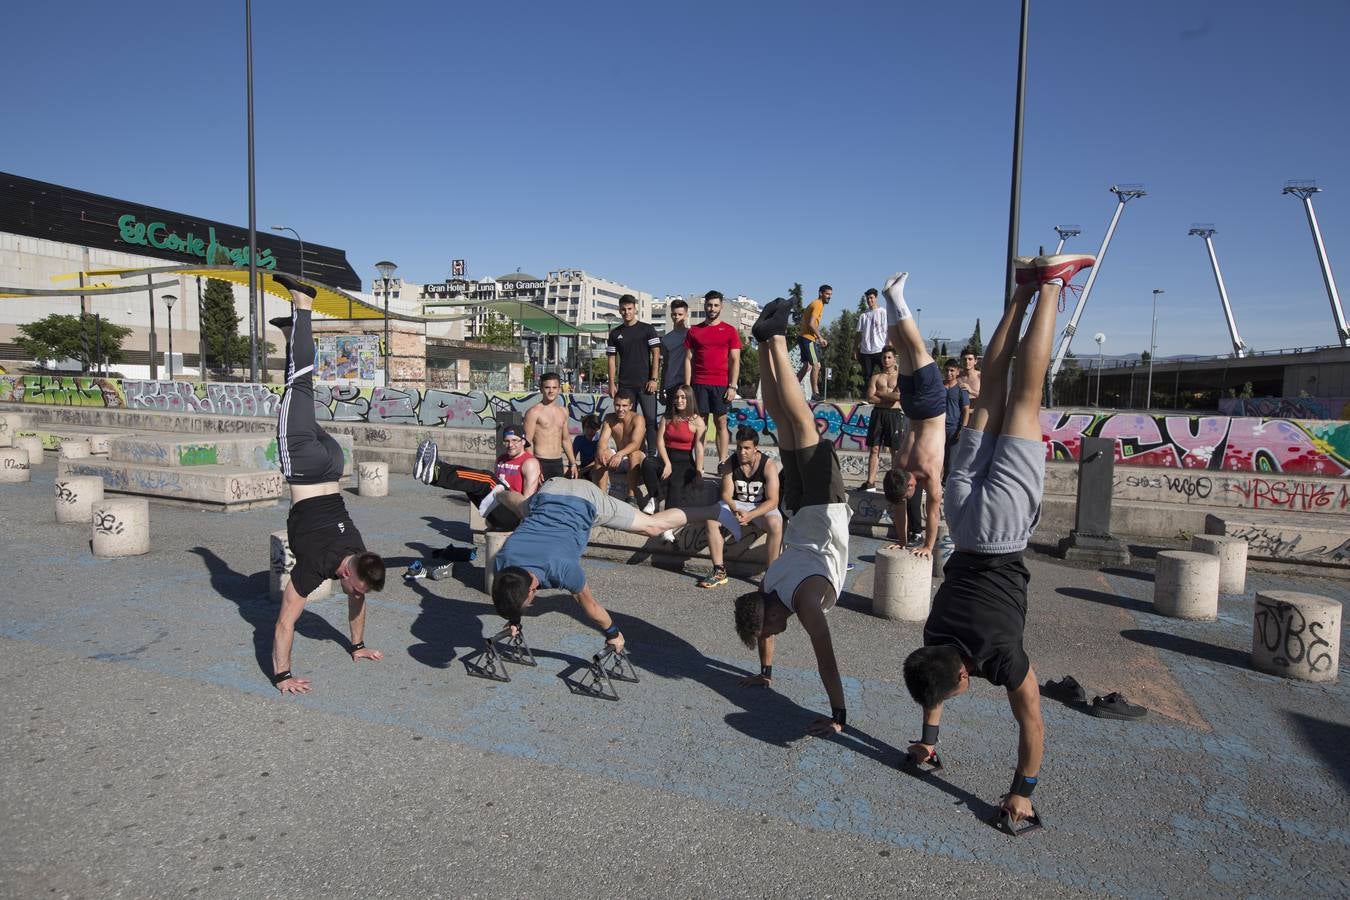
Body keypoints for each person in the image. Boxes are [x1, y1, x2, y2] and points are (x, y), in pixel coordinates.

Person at [901, 253, 1095, 828]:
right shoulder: (933, 634)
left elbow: (1032, 718)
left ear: (964, 677)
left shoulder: (998, 657)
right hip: (961, 522)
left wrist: (1022, 790)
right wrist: (927, 741)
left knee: (1025, 397)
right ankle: (1020, 293)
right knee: (985, 398)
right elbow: (931, 680)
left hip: (1005, 530)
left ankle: (1053, 287)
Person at [732, 297, 852, 737]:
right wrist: (766, 673)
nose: (776, 633)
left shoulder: (800, 602)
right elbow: (764, 628)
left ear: (770, 615)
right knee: (783, 421)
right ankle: (765, 344)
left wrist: (839, 714)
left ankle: (778, 338)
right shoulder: (767, 588)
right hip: (800, 512)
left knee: (800, 422)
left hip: (821, 509)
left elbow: (825, 655)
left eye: (771, 630)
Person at [268, 274, 386, 695]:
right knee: (298, 384)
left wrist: (358, 646)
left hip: (333, 463)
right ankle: (303, 303)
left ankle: (290, 335)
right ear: (352, 577)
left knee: (299, 393)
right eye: (360, 589)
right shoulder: (317, 566)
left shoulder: (359, 553)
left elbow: (358, 603)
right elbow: (286, 619)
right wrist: (282, 675)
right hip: (305, 464)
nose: (359, 595)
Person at [490, 479, 733, 651]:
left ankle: (715, 511)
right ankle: (500, 492)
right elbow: (511, 593)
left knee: (652, 526)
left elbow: (592, 608)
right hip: (550, 490)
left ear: (533, 588)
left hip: (586, 498)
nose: (531, 605)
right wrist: (514, 620)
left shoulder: (562, 568)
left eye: (528, 603)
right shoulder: (504, 559)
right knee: (524, 509)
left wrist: (614, 634)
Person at [877, 272, 945, 558]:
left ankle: (896, 298)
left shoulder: (928, 473)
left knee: (915, 348)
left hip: (929, 408)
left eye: (909, 491)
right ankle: (891, 300)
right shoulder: (898, 467)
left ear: (908, 482)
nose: (912, 494)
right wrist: (906, 542)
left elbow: (932, 512)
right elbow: (902, 507)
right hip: (912, 408)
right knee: (904, 350)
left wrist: (927, 545)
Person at [412, 426, 541, 536]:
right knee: (472, 484)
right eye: (506, 441)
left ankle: (438, 471)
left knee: (487, 478)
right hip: (496, 511)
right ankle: (430, 474)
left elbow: (526, 504)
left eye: (515, 441)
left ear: (523, 441)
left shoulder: (529, 463)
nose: (510, 445)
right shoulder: (501, 459)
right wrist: (492, 524)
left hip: (515, 516)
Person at [698, 425, 783, 589]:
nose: (742, 451)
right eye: (738, 447)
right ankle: (719, 571)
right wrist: (735, 509)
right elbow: (726, 494)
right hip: (737, 504)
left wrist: (750, 515)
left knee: (776, 524)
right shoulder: (731, 462)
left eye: (746, 448)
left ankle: (772, 574)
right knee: (712, 520)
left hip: (761, 506)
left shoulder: (768, 465)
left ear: (755, 448)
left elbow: (773, 500)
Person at [683, 290, 743, 465]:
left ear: (721, 307)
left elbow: (735, 360)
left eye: (716, 305)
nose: (712, 308)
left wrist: (733, 386)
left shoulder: (730, 331)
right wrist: (687, 387)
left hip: (722, 385)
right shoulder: (694, 331)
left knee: (721, 423)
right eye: (709, 305)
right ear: (705, 305)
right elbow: (688, 359)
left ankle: (722, 462)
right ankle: (699, 465)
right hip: (699, 384)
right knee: (700, 425)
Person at [606, 294, 661, 454]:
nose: (626, 312)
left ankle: (652, 454)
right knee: (628, 420)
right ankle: (630, 453)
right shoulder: (615, 334)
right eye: (623, 309)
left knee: (650, 420)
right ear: (619, 310)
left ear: (635, 309)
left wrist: (654, 379)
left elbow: (656, 354)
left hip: (646, 384)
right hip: (625, 385)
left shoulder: (647, 329)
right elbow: (611, 360)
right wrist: (611, 383)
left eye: (629, 309)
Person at [640, 383, 705, 516]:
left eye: (683, 397)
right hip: (667, 457)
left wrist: (699, 472)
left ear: (689, 399)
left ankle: (668, 526)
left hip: (685, 462)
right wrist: (667, 463)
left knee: (675, 483)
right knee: (648, 463)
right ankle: (655, 498)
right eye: (677, 397)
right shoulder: (667, 417)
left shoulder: (697, 421)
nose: (679, 400)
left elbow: (699, 449)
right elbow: (660, 442)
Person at [524, 372, 579, 481]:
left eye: (554, 387)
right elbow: (527, 442)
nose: (551, 391)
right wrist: (535, 466)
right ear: (541, 389)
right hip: (540, 461)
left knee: (557, 496)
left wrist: (573, 463)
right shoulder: (533, 412)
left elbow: (566, 439)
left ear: (559, 389)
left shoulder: (563, 411)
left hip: (558, 462)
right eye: (547, 387)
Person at [597, 389, 648, 507]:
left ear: (630, 406)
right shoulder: (609, 418)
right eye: (617, 405)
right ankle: (602, 498)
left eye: (624, 406)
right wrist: (601, 452)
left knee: (634, 454)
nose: (620, 409)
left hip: (637, 460)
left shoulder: (638, 419)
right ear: (613, 404)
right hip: (619, 459)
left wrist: (619, 454)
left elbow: (636, 444)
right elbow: (602, 441)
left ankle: (631, 497)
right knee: (601, 454)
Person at [860, 346, 901, 492]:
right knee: (874, 448)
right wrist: (888, 398)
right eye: (884, 357)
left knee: (894, 450)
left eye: (889, 357)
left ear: (894, 358)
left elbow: (898, 397)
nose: (886, 360)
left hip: (893, 415)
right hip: (878, 414)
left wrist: (880, 394)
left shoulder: (900, 376)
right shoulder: (876, 377)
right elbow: (870, 398)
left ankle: (896, 482)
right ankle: (870, 482)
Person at [795, 284, 831, 402]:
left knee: (807, 366)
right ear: (821, 293)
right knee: (816, 365)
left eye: (830, 295)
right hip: (808, 338)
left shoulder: (815, 304)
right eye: (827, 294)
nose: (829, 297)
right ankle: (815, 394)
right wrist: (820, 337)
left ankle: (791, 389)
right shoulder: (818, 304)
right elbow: (811, 323)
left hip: (803, 337)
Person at [942, 359, 971, 482]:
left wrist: (962, 429)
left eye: (952, 370)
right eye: (947, 370)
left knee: (951, 460)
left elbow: (966, 410)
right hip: (938, 428)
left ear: (957, 372)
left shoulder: (961, 389)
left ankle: (946, 485)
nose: (949, 373)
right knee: (936, 457)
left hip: (953, 429)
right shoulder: (938, 386)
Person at [660, 298, 691, 405]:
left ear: (686, 315)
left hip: (690, 383)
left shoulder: (693, 334)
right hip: (671, 384)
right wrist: (661, 390)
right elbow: (665, 365)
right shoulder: (666, 339)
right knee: (671, 418)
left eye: (680, 314)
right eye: (674, 314)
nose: (677, 317)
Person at [856, 288, 888, 385]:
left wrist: (889, 346)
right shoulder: (863, 315)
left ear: (876, 298)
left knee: (885, 373)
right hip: (866, 350)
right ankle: (869, 396)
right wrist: (855, 349)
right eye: (867, 298)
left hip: (880, 348)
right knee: (867, 375)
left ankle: (886, 395)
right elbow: (858, 333)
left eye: (871, 298)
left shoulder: (883, 312)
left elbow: (889, 330)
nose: (869, 300)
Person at [573, 414, 604, 487]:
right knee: (565, 470)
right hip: (582, 467)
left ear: (598, 429)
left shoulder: (600, 441)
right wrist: (574, 466)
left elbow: (598, 460)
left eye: (593, 428)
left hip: (594, 468)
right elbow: (572, 456)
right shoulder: (579, 439)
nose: (589, 431)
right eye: (587, 427)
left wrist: (582, 470)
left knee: (595, 473)